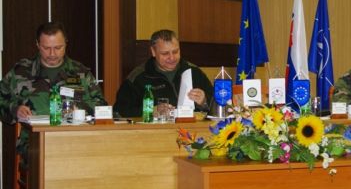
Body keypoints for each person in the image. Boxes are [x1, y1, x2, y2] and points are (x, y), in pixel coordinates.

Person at [0, 21, 107, 156]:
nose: (52, 54)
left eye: (58, 48)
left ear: (66, 44)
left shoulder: (80, 72)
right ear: (37, 45)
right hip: (34, 147)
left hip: (75, 144)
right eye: (46, 48)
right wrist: (15, 110)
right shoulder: (21, 71)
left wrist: (79, 109)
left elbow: (102, 107)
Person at [114, 29, 212, 117]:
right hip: (155, 130)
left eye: (175, 52)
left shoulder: (194, 72)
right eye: (165, 53)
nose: (172, 58)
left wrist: (204, 102)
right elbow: (119, 111)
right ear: (153, 51)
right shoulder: (138, 77)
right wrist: (150, 111)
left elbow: (216, 106)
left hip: (191, 128)